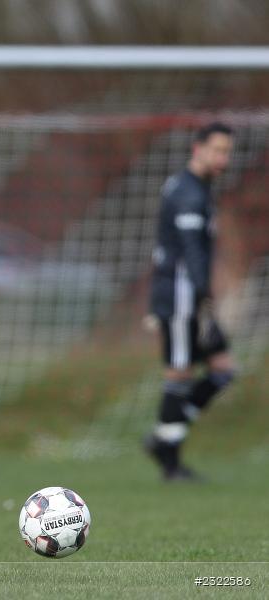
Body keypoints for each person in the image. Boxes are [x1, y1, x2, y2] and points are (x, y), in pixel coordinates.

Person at [144, 121, 236, 482]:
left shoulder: (191, 186)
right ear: (198, 149)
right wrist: (204, 297)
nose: (223, 159)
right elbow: (192, 253)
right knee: (180, 373)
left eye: (227, 152)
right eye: (218, 151)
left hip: (186, 295)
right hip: (182, 297)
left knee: (223, 369)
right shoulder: (189, 194)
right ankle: (169, 461)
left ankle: (165, 436)